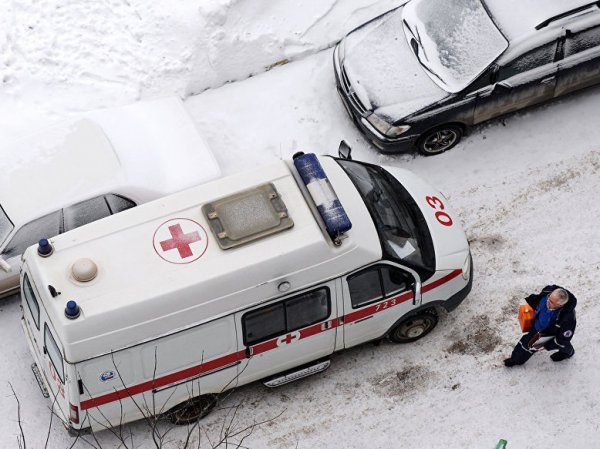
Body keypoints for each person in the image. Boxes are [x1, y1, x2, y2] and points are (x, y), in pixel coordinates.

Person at [504, 285, 577, 367]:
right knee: (527, 343)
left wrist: (547, 345)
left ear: (560, 305)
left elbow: (563, 339)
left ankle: (568, 352)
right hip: (537, 326)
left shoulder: (567, 319)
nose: (547, 301)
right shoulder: (547, 293)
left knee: (561, 344)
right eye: (549, 297)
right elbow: (541, 296)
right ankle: (516, 359)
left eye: (552, 302)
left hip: (547, 333)